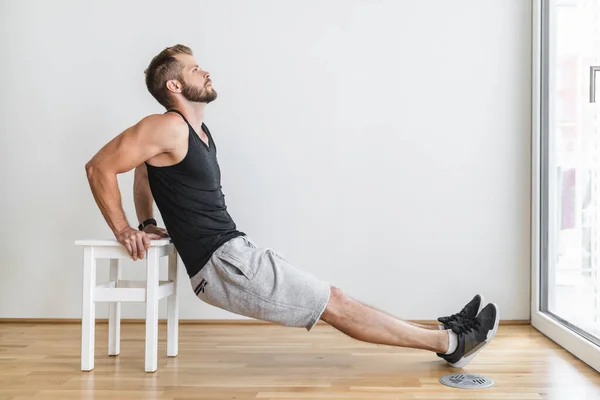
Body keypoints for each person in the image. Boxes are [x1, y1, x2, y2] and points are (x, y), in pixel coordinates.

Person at [84, 44, 499, 369]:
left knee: (335, 298)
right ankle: (453, 344)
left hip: (234, 254)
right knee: (333, 303)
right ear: (174, 86)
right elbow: (100, 166)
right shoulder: (166, 125)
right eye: (194, 68)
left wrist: (147, 220)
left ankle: (443, 331)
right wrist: (125, 229)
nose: (205, 71)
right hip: (224, 264)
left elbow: (141, 173)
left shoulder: (197, 131)